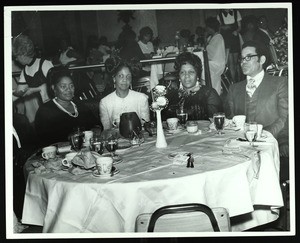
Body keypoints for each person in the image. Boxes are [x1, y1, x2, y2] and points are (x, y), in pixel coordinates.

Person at [225, 40, 288, 139]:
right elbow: (230, 121)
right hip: (242, 145)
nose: (243, 62)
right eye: (241, 59)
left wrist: (262, 134)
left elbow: (285, 119)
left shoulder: (280, 83)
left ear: (262, 60)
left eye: (248, 57)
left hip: (273, 141)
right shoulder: (234, 89)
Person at [35, 68, 101, 146]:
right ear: (53, 88)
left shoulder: (79, 105)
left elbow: (96, 124)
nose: (69, 90)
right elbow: (45, 141)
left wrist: (96, 130)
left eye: (71, 86)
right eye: (63, 86)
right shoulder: (45, 111)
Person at [165, 52, 223, 121]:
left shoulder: (209, 94)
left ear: (197, 75)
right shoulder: (171, 96)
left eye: (191, 72)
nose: (187, 76)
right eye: (183, 72)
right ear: (179, 76)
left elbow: (215, 121)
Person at [99, 56, 150, 130]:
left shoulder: (142, 98)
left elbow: (146, 127)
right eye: (120, 76)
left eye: (128, 77)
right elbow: (107, 130)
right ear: (114, 78)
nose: (125, 80)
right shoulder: (105, 103)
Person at [12, 34, 53, 124]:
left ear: (22, 54)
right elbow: (19, 92)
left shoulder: (45, 64)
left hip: (55, 107)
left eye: (16, 56)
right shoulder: (25, 70)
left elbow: (54, 85)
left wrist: (34, 89)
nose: (16, 59)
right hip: (43, 108)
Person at [217, 9, 243, 83]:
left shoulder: (236, 12)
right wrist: (223, 27)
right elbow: (218, 29)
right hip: (226, 39)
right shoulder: (219, 15)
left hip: (234, 38)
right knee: (230, 62)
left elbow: (240, 27)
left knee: (235, 62)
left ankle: (238, 80)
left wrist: (237, 31)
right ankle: (233, 81)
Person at [205, 17, 226, 95]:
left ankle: (211, 91)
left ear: (210, 27)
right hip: (214, 61)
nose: (206, 28)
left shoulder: (218, 37)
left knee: (203, 66)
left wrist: (206, 45)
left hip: (217, 63)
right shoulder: (213, 37)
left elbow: (210, 53)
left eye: (207, 26)